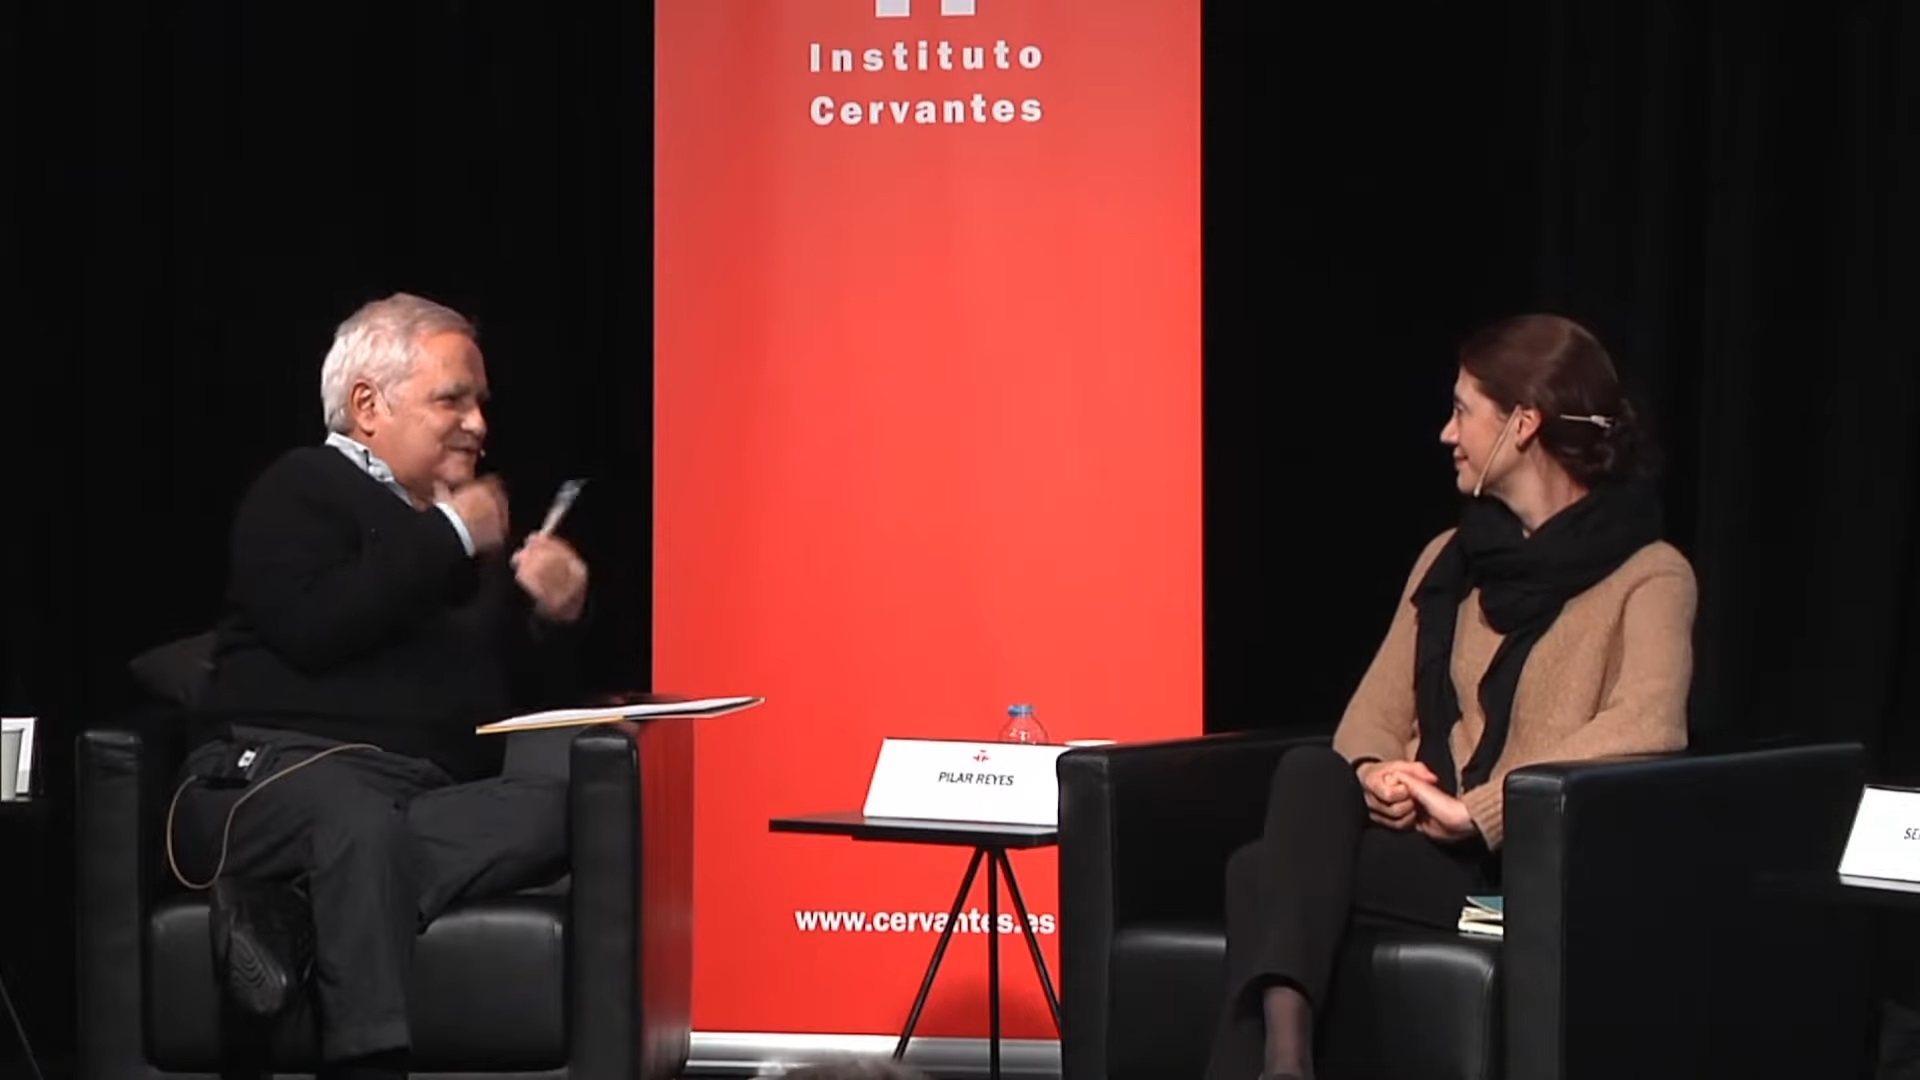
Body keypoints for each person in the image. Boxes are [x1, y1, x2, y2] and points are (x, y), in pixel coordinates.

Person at [1204, 314, 1697, 1080]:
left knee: (1259, 872)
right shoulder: (1449, 558)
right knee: (1310, 772)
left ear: (1524, 424)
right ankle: (1287, 1067)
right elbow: (1368, 719)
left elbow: (1649, 724)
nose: (1447, 433)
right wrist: (1379, 776)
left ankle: (1282, 1065)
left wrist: (1480, 811)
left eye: (1464, 411)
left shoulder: (1651, 574)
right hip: (1419, 852)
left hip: (1518, 876)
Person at [166, 292, 591, 1080]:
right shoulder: (301, 487)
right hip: (269, 777)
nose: (478, 424)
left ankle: (292, 914)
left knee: (565, 807)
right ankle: (370, 1063)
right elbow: (315, 627)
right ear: (368, 406)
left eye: (481, 403)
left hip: (412, 797)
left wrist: (547, 611)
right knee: (356, 825)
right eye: (451, 400)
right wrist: (451, 534)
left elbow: (487, 702)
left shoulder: (448, 540)